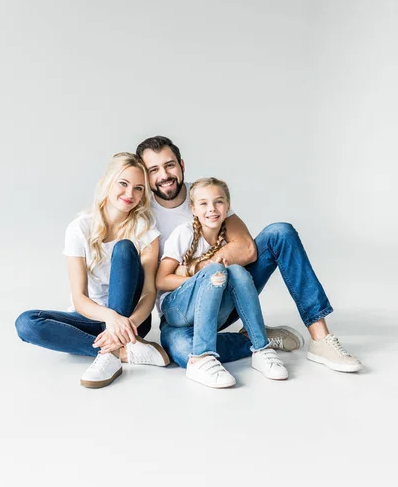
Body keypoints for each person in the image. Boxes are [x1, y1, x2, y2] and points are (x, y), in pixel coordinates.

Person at [136, 136, 362, 374]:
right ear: (145, 175)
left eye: (169, 165)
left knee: (279, 233)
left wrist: (202, 268)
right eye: (154, 169)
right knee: (184, 351)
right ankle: (255, 338)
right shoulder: (142, 213)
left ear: (182, 165)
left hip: (227, 293)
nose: (164, 175)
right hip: (181, 313)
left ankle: (320, 339)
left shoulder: (205, 196)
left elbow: (247, 249)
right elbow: (156, 279)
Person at [15, 152, 170, 389]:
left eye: (139, 188)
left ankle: (110, 353)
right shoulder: (79, 228)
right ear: (108, 182)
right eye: (123, 183)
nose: (130, 194)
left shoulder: (145, 230)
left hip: (133, 321)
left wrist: (125, 324)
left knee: (124, 248)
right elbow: (79, 298)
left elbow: (149, 293)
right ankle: (121, 352)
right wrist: (109, 317)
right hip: (94, 317)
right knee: (26, 323)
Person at [156, 177, 288, 388]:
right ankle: (201, 356)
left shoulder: (229, 240)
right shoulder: (184, 233)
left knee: (237, 271)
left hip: (210, 314)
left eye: (218, 202)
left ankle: (260, 348)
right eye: (204, 203)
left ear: (227, 206)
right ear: (193, 208)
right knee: (216, 270)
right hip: (177, 311)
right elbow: (161, 280)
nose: (212, 209)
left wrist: (211, 276)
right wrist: (200, 278)